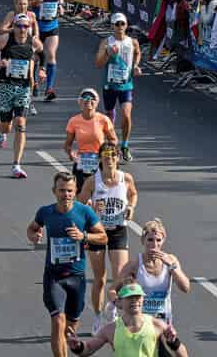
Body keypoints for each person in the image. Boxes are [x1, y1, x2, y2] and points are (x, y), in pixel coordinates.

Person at [29, 170, 108, 357]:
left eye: (70, 191)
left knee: (69, 329)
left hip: (76, 277)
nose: (66, 195)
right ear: (54, 191)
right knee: (57, 321)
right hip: (53, 276)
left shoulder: (84, 212)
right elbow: (32, 228)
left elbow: (103, 237)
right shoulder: (45, 212)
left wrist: (84, 236)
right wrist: (34, 235)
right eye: (62, 190)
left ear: (75, 191)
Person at [81, 142, 138, 314]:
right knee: (100, 279)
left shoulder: (125, 178)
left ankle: (114, 311)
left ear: (118, 158)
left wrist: (131, 207)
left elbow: (133, 194)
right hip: (98, 231)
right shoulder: (92, 181)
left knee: (120, 278)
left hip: (118, 230)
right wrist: (91, 209)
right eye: (106, 156)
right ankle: (98, 318)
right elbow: (79, 204)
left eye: (113, 155)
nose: (110, 159)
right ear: (100, 159)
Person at [67, 282, 185, 357]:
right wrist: (78, 346)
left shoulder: (157, 325)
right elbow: (88, 349)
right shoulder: (110, 329)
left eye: (138, 297)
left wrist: (173, 342)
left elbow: (183, 355)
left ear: (143, 299)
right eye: (129, 297)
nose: (134, 300)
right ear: (119, 302)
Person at [0, 17, 41, 178]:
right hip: (5, 86)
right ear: (13, 27)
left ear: (29, 28)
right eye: (19, 26)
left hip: (23, 87)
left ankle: (16, 164)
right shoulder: (5, 40)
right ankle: (1, 132)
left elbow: (41, 56)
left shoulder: (33, 43)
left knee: (20, 123)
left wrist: (41, 70)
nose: (22, 29)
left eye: (25, 26)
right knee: (6, 126)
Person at [130, 219, 190, 326]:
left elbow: (186, 287)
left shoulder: (171, 260)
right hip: (141, 323)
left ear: (163, 240)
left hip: (163, 322)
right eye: (150, 240)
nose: (154, 244)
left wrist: (171, 266)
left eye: (158, 240)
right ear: (143, 240)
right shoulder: (135, 264)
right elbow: (114, 290)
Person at [96, 14, 140, 161]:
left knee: (127, 115)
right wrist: (107, 54)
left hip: (126, 85)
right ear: (112, 26)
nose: (120, 27)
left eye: (122, 24)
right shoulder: (106, 42)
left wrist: (135, 66)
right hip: (109, 85)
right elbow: (98, 64)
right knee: (109, 115)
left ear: (126, 25)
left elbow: (138, 53)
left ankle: (125, 145)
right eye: (117, 24)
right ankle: (111, 142)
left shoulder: (132, 42)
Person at [65, 88, 118, 190]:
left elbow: (113, 140)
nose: (88, 100)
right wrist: (71, 154)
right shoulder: (73, 121)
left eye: (92, 98)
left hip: (100, 160)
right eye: (85, 98)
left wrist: (106, 153)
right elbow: (67, 145)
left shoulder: (103, 119)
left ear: (97, 103)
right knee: (80, 193)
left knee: (101, 193)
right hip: (81, 161)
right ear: (80, 102)